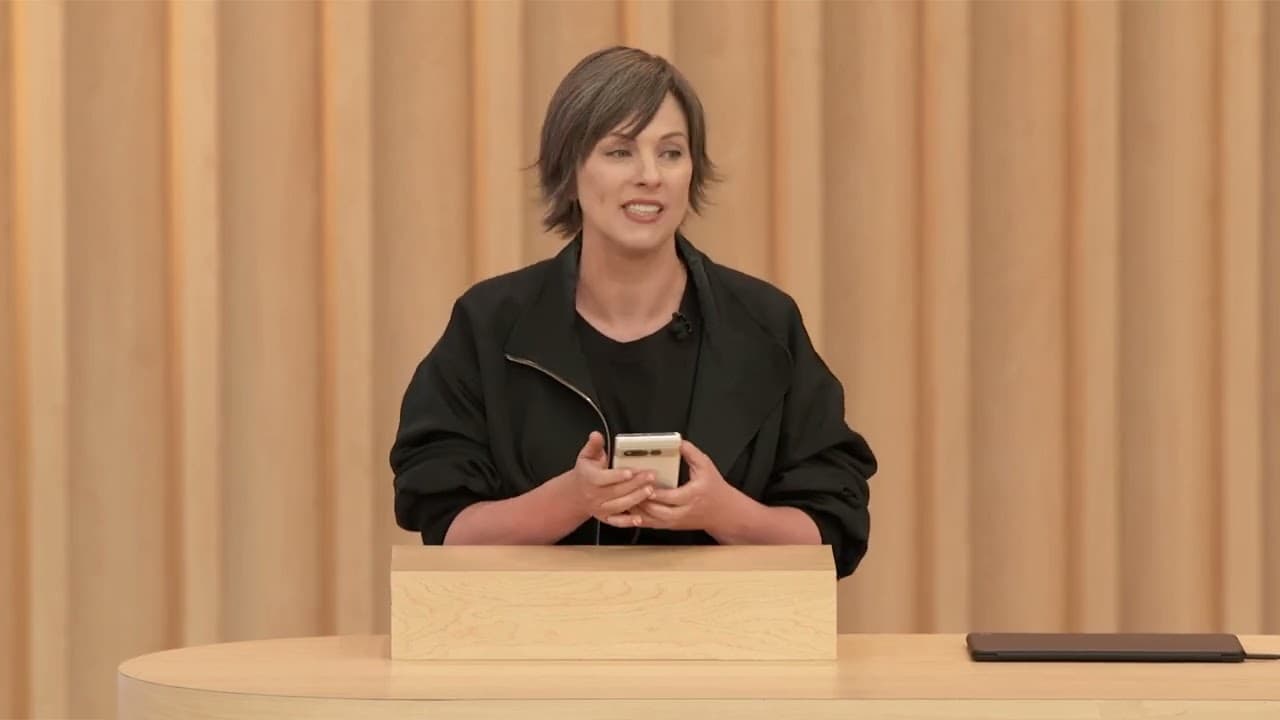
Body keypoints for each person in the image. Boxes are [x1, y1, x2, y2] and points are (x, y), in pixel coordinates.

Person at [390, 46, 876, 579]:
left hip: (727, 650)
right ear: (569, 169)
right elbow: (444, 524)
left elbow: (835, 530)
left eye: (671, 152)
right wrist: (569, 500)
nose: (651, 175)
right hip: (537, 649)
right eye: (619, 152)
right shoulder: (489, 324)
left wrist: (724, 512)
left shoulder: (764, 323)